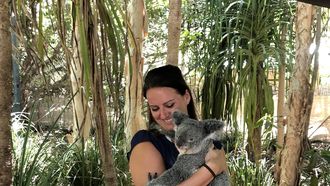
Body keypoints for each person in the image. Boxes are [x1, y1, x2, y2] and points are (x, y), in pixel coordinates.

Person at [127, 64, 228, 186]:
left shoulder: (212, 142)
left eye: (169, 105)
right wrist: (211, 169)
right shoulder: (146, 144)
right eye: (155, 108)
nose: (163, 115)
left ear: (186, 97)